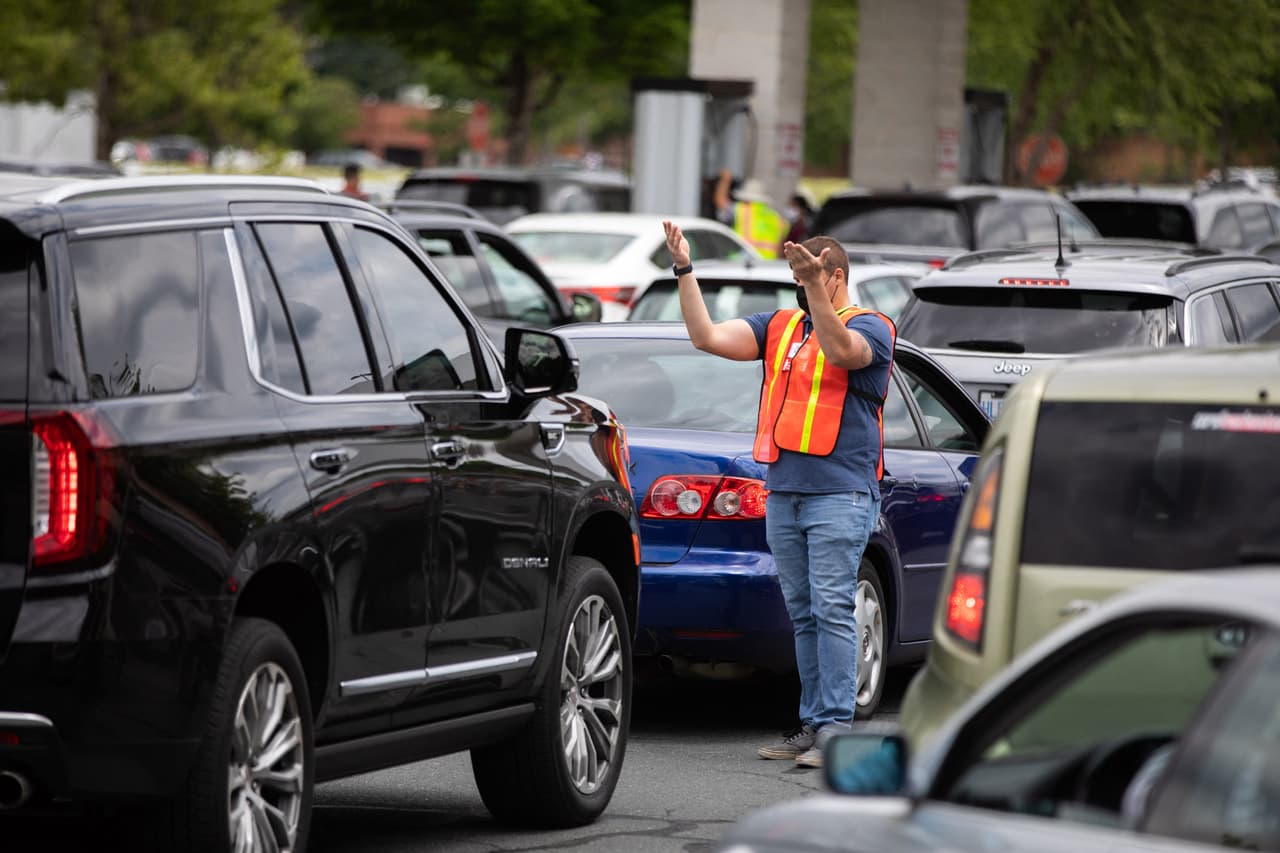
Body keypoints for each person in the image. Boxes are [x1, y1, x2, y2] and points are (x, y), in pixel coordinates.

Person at [662, 221, 896, 768]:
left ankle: (836, 728)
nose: (798, 284)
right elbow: (707, 338)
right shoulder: (781, 326)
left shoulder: (872, 327)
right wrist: (684, 269)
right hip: (785, 491)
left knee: (834, 606)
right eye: (794, 276)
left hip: (840, 493)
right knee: (806, 612)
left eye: (809, 276)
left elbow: (840, 352)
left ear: (835, 277)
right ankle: (814, 723)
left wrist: (816, 291)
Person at [713, 168, 788, 259]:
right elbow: (780, 249)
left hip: (742, 263)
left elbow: (720, 201)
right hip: (767, 264)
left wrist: (725, 180)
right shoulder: (775, 217)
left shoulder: (742, 210)